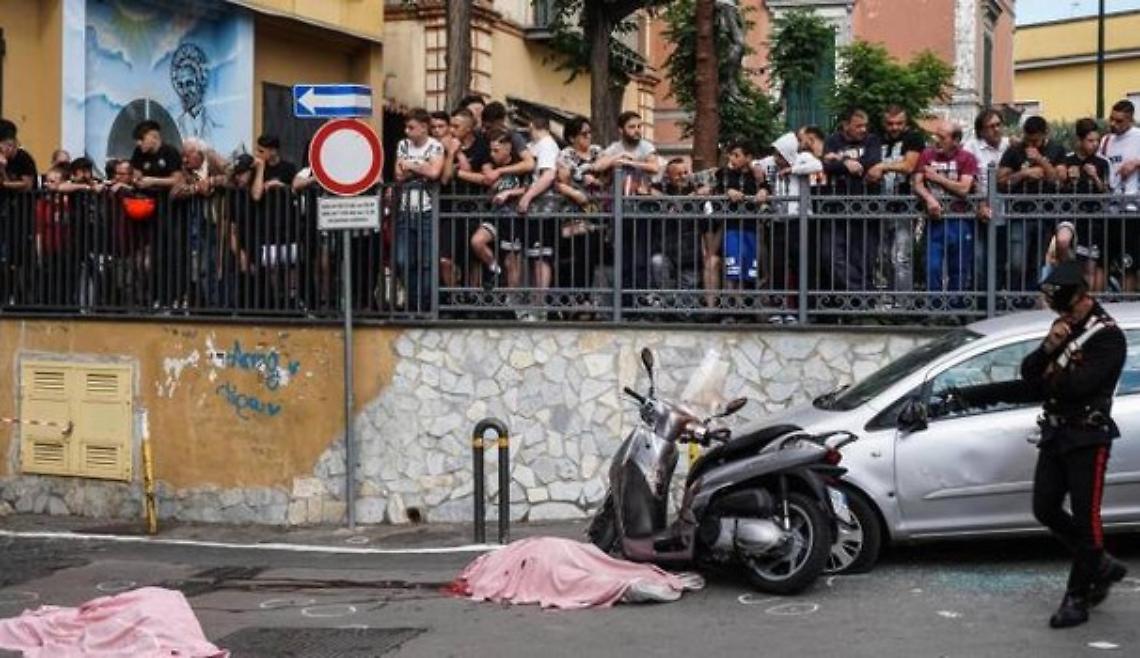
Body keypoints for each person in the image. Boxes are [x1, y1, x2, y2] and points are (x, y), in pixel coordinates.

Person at [945, 261, 1128, 629]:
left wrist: (1051, 378)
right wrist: (1049, 347)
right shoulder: (1064, 328)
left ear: (1079, 294)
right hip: (1057, 434)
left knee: (1086, 518)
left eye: (1058, 299)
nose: (1053, 306)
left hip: (1088, 438)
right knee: (1044, 507)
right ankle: (1099, 564)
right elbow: (1030, 374)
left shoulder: (1108, 337)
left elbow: (1080, 388)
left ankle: (1078, 596)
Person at [913, 120, 978, 296]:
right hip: (935, 220)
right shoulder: (927, 155)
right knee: (931, 266)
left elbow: (964, 189)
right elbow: (917, 184)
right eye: (936, 135)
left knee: (958, 268)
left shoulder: (966, 158)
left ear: (955, 141)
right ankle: (934, 309)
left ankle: (954, 309)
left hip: (960, 219)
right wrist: (929, 199)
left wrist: (937, 178)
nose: (936, 140)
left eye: (942, 137)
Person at [821, 107, 882, 292]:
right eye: (858, 126)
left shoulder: (872, 140)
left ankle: (861, 302)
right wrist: (846, 163)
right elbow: (825, 165)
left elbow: (872, 163)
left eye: (865, 126)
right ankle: (864, 293)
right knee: (831, 256)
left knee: (863, 259)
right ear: (846, 125)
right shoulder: (833, 140)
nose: (863, 130)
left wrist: (839, 159)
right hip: (836, 207)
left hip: (865, 207)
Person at [869, 105, 925, 293]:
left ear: (906, 122)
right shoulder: (877, 139)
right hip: (881, 204)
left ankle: (903, 303)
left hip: (905, 203)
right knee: (883, 255)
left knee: (901, 256)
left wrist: (882, 167)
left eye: (899, 123)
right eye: (890, 123)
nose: (894, 127)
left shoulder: (913, 138)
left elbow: (909, 166)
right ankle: (890, 297)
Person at [394, 108, 445, 312]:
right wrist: (420, 166)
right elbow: (398, 175)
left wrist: (409, 165)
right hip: (405, 209)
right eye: (406, 127)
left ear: (424, 128)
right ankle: (412, 302)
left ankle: (423, 306)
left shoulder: (436, 146)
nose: (407, 131)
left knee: (426, 261)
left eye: (411, 127)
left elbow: (434, 172)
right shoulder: (402, 145)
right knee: (402, 260)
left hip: (426, 209)